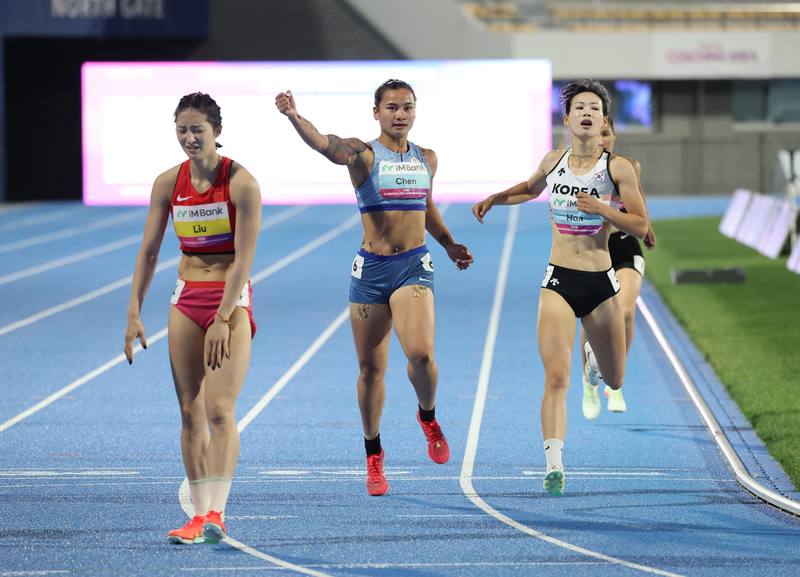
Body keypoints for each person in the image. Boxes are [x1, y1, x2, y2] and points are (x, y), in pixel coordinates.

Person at [275, 79, 473, 496]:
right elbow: (325, 144)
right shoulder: (363, 156)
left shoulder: (428, 158)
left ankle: (428, 416)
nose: (400, 114)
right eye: (391, 107)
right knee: (371, 370)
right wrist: (295, 118)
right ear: (376, 112)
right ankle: (374, 453)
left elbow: (427, 206)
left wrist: (449, 244)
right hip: (371, 273)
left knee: (420, 355)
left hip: (413, 265)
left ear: (415, 111)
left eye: (407, 107)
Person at [472, 79, 648, 496]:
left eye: (595, 108)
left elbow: (640, 224)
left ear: (604, 120)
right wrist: (495, 198)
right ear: (567, 118)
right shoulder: (554, 161)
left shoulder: (617, 168)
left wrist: (603, 208)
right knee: (555, 376)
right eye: (579, 108)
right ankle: (554, 464)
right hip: (558, 279)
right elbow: (530, 189)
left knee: (616, 380)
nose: (587, 113)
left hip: (601, 282)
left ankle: (594, 362)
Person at [124, 93, 262, 543]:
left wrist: (224, 315)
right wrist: (134, 312)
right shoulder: (168, 182)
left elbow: (243, 259)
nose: (189, 138)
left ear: (216, 131)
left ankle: (218, 514)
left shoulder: (241, 183)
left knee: (219, 409)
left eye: (197, 129)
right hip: (186, 297)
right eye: (181, 129)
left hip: (230, 299)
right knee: (189, 411)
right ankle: (198, 517)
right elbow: (148, 251)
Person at [580, 117, 657, 419]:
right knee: (592, 322)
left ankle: (616, 383)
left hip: (625, 248)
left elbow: (638, 201)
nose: (602, 140)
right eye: (597, 135)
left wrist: (646, 226)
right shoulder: (577, 171)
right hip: (593, 252)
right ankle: (589, 384)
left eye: (607, 134)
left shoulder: (629, 166)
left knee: (625, 311)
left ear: (613, 136)